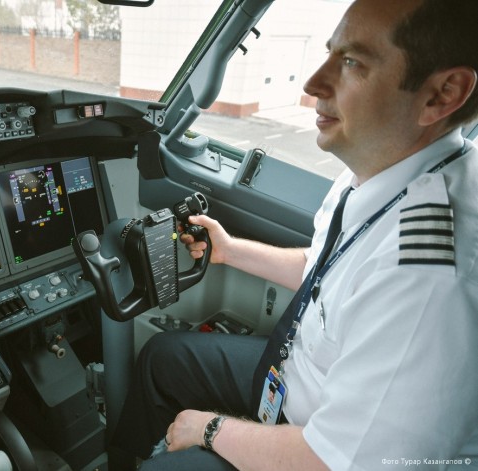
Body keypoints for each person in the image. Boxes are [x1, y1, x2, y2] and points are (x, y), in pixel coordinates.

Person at [111, 0, 478, 469]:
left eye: (352, 62)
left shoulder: (429, 281)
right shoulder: (382, 167)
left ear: (442, 95)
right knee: (163, 360)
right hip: (300, 380)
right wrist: (229, 251)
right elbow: (325, 270)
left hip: (320, 448)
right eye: (331, 54)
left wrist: (209, 429)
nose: (313, 84)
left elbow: (334, 460)